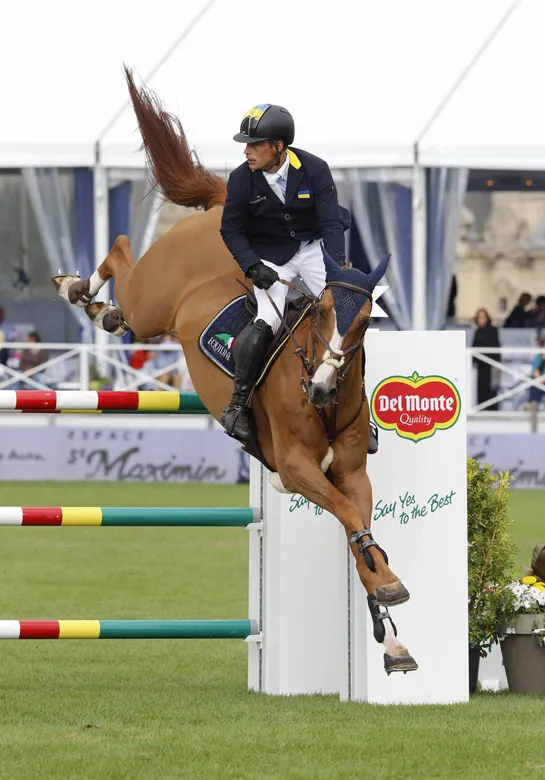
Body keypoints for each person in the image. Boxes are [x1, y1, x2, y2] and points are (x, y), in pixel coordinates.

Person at [219, 103, 349, 442]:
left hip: (312, 251)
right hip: (270, 257)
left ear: (278, 146)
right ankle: (237, 404)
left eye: (254, 144)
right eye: (246, 145)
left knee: (346, 317)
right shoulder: (240, 179)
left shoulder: (315, 169)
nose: (246, 151)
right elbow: (230, 230)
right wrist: (252, 266)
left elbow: (332, 223)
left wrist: (337, 269)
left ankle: (360, 410)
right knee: (269, 320)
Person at [472, 309, 501, 410]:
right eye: (479, 318)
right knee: (481, 388)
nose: (481, 320)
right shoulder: (477, 332)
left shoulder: (493, 330)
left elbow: (496, 347)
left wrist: (497, 364)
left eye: (483, 317)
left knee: (492, 389)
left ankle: (492, 410)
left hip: (491, 365)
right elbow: (474, 347)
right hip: (481, 366)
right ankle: (482, 408)